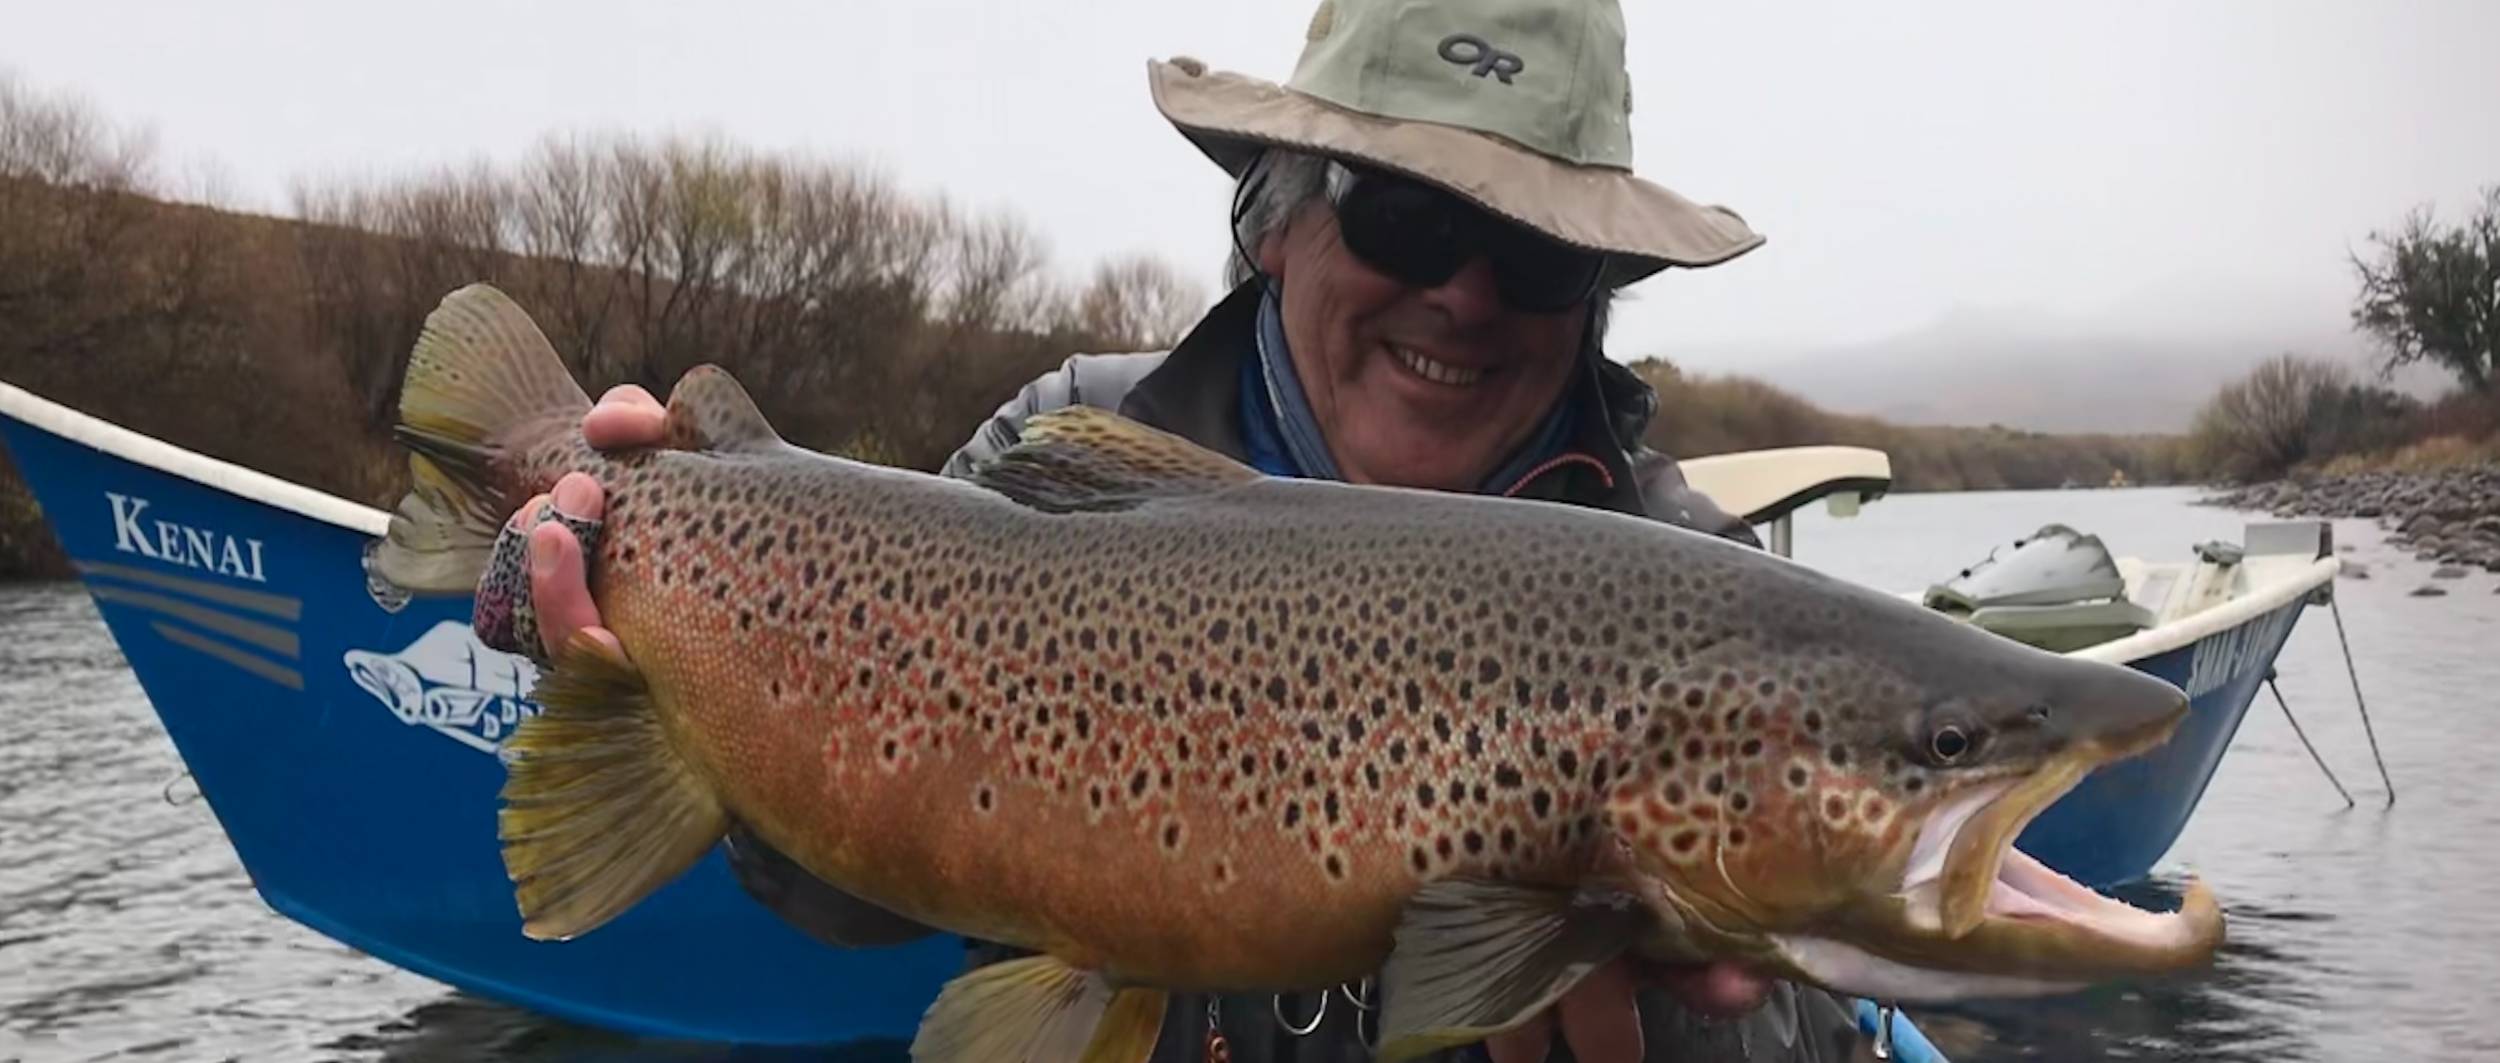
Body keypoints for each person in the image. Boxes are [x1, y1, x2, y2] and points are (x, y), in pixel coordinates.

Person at [497, 0, 1865, 1059]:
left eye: (1538, 253)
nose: (1463, 293)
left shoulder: (1709, 607)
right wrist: (638, 618)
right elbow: (859, 898)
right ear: (1274, 216)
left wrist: (1701, 1013)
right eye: (1405, 215)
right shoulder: (1047, 459)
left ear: (1596, 294)